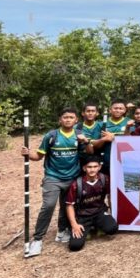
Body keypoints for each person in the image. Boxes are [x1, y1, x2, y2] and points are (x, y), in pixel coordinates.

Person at [20, 107, 88, 257]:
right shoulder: (51, 136)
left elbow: (88, 152)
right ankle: (37, 239)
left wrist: (86, 141)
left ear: (76, 120)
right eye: (65, 117)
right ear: (60, 120)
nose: (68, 120)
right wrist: (28, 153)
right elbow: (38, 156)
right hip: (53, 177)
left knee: (66, 205)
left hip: (72, 177)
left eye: (71, 117)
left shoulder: (79, 135)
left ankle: (62, 231)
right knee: (49, 205)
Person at [65, 155, 119, 252]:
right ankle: (88, 228)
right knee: (75, 246)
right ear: (84, 168)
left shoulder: (105, 179)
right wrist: (74, 225)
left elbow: (109, 196)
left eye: (95, 166)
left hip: (99, 212)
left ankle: (97, 226)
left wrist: (111, 212)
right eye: (89, 167)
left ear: (99, 167)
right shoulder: (76, 184)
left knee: (113, 228)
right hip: (83, 216)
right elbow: (69, 205)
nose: (92, 169)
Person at [100, 99, 133, 174]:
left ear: (125, 110)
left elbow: (131, 141)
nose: (118, 110)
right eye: (115, 108)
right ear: (110, 110)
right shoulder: (102, 124)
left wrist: (114, 137)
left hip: (124, 160)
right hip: (107, 160)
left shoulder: (130, 122)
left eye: (121, 108)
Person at [75, 102, 106, 166]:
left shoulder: (103, 126)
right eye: (88, 111)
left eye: (93, 111)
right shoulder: (76, 127)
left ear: (97, 113)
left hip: (99, 159)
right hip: (81, 160)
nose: (90, 113)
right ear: (83, 113)